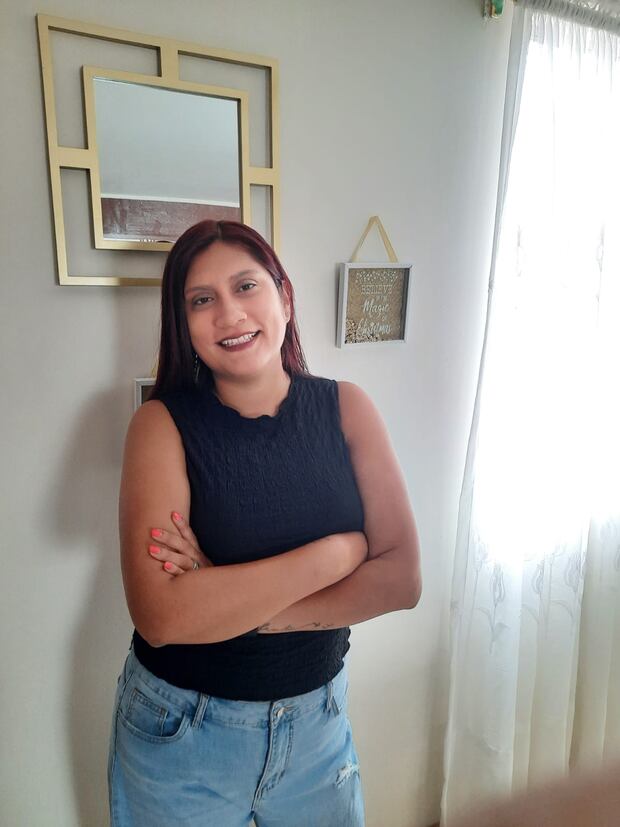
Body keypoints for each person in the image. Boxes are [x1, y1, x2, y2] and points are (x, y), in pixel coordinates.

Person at [108, 220, 421, 827]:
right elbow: (163, 617)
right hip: (183, 733)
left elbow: (402, 580)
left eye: (246, 286)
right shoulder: (160, 425)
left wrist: (230, 603)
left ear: (285, 297)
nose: (229, 313)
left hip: (317, 729)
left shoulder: (347, 407)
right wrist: (335, 556)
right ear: (183, 323)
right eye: (202, 299)